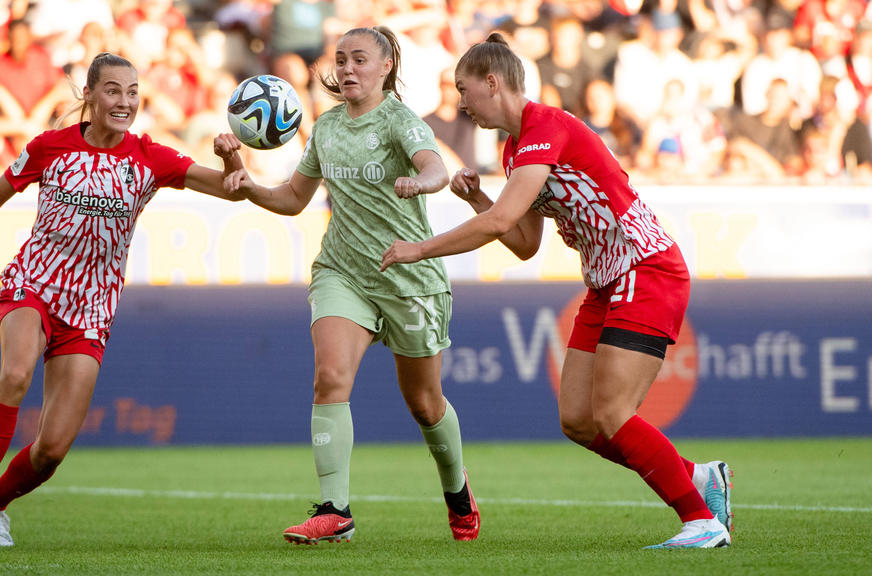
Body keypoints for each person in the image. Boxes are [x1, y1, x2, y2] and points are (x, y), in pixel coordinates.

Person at [380, 33, 733, 550]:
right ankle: (698, 478)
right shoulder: (514, 149)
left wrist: (419, 248)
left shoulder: (546, 127)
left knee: (613, 413)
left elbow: (504, 219)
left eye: (463, 89)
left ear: (492, 83)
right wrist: (480, 197)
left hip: (645, 267)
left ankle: (701, 521)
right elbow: (523, 241)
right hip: (606, 280)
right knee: (578, 420)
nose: (459, 102)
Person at [0, 52, 247, 548]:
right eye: (113, 90)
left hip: (91, 310)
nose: (125, 101)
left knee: (51, 450)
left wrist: (232, 158)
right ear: (89, 95)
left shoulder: (150, 157)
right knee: (16, 373)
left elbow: (233, 191)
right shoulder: (50, 146)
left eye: (133, 92)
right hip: (35, 285)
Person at [223, 25, 480, 545]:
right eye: (341, 60)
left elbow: (432, 167)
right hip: (343, 272)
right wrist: (248, 183)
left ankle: (458, 491)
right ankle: (334, 510)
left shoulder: (400, 122)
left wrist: (422, 181)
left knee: (425, 404)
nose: (346, 69)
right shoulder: (326, 127)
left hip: (409, 276)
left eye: (359, 59)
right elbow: (294, 198)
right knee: (330, 377)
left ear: (386, 66)